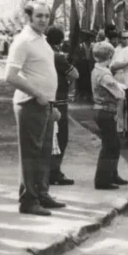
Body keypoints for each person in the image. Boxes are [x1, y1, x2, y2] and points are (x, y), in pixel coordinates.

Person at [5, 2, 66, 216]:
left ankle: (42, 194)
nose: (43, 20)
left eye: (46, 16)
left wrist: (52, 104)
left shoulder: (42, 40)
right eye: (39, 16)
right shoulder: (23, 41)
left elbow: (44, 74)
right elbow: (11, 75)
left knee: (44, 152)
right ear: (29, 17)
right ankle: (28, 200)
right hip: (30, 103)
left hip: (45, 104)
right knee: (31, 154)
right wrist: (37, 94)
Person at [90, 42, 128, 190]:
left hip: (103, 109)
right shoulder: (105, 74)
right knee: (109, 145)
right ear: (110, 56)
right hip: (105, 110)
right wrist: (121, 89)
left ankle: (112, 174)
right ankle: (102, 180)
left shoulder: (98, 69)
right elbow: (119, 94)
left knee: (114, 144)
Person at [45, 26, 78, 187]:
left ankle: (48, 171)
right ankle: (55, 172)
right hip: (59, 100)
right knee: (61, 137)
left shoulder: (42, 52)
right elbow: (75, 74)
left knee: (48, 137)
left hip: (44, 98)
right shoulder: (57, 56)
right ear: (59, 41)